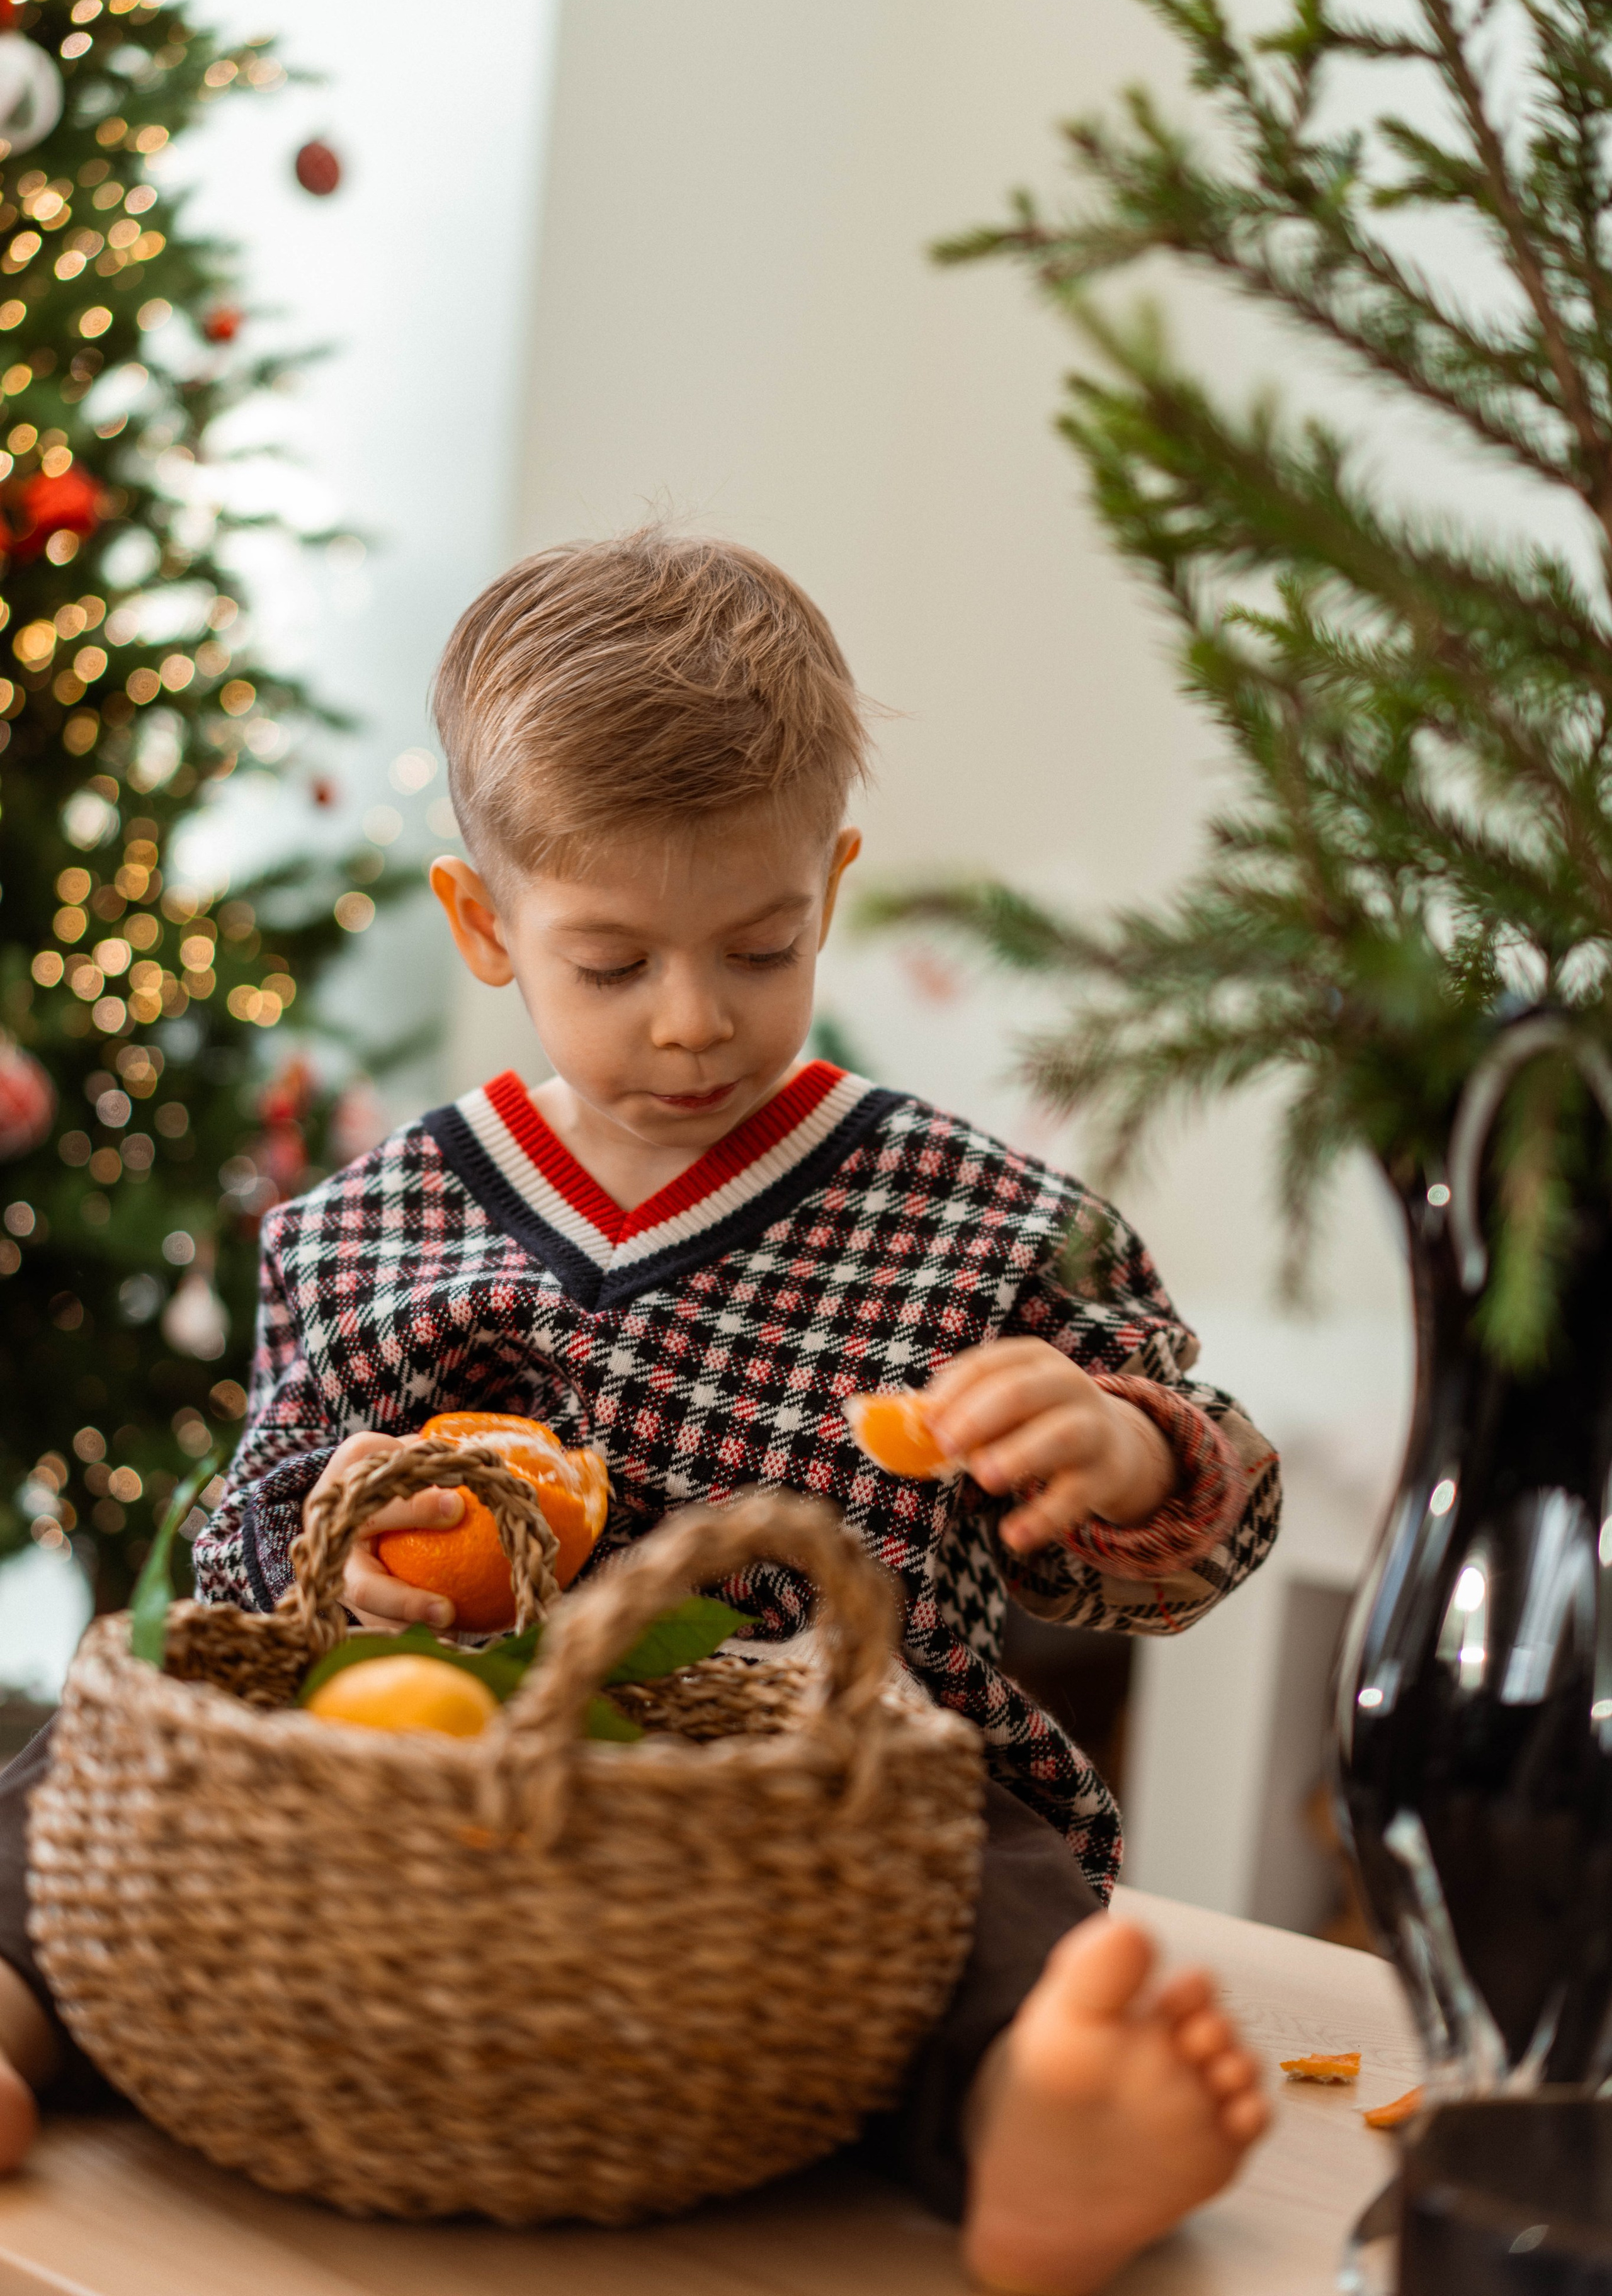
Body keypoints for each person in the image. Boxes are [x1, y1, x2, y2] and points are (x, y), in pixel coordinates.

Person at [0, 529, 1280, 2294]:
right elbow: (249, 1546)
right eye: (613, 965)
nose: (694, 1025)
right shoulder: (384, 1220)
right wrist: (359, 1544)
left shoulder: (973, 1219)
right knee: (95, 1773)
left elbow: (1198, 1529)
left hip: (826, 1825)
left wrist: (1120, 1448)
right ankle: (15, 2009)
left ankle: (1030, 2115)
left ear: (828, 885)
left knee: (984, 1886)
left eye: (760, 948)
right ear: (486, 923)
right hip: (429, 1796)